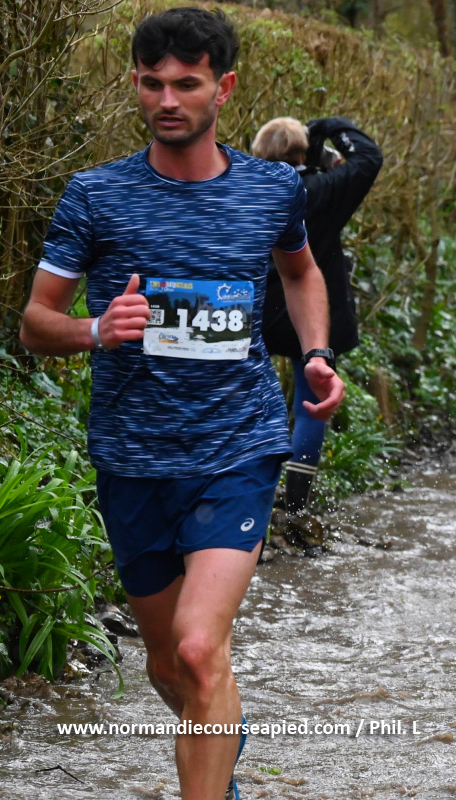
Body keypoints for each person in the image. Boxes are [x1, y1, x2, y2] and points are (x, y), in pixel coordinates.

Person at [20, 9, 345, 799]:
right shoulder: (96, 196)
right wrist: (97, 328)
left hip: (238, 446)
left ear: (222, 89)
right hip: (133, 457)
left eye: (187, 84)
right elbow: (35, 322)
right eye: (152, 83)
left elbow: (301, 272)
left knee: (200, 650)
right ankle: (220, 753)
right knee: (170, 666)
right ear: (136, 84)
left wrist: (315, 353)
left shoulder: (272, 188)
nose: (168, 100)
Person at [252, 115, 383, 524]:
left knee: (247, 396)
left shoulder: (248, 188)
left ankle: (247, 495)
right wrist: (328, 126)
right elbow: (368, 157)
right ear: (305, 153)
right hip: (311, 311)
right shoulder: (324, 189)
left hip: (255, 308)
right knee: (311, 405)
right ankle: (294, 508)